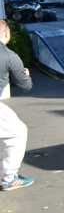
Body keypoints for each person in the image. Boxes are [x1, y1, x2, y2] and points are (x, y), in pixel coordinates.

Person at [0, 20, 33, 191]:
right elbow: (25, 85)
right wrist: (26, 74)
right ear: (6, 34)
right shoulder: (9, 56)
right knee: (17, 133)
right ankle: (8, 178)